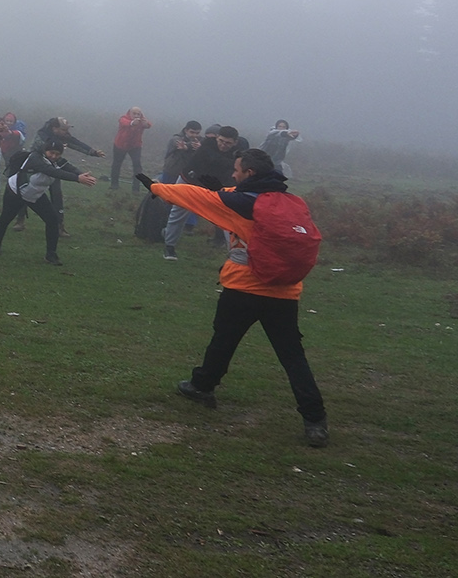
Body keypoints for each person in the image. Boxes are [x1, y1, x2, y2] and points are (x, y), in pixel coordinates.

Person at [140, 149, 329, 446]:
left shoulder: (239, 203)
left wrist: (156, 187)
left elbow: (195, 197)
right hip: (285, 291)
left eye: (237, 170)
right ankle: (315, 421)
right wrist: (223, 190)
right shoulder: (293, 201)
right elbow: (242, 198)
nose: (233, 173)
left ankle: (202, 386)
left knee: (223, 341)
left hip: (243, 287)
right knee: (292, 356)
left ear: (249, 173)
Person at [0, 140, 97, 265]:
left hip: (35, 194)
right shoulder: (35, 158)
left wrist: (81, 174)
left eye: (57, 154)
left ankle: (51, 255)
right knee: (6, 217)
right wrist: (77, 178)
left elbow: (68, 167)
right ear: (45, 150)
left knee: (52, 220)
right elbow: (52, 171)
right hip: (16, 191)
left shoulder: (57, 160)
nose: (54, 156)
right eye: (51, 153)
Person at [164, 125, 248, 260]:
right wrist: (231, 163)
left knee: (227, 218)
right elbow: (215, 160)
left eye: (228, 143)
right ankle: (169, 246)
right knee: (179, 211)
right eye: (221, 141)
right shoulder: (208, 144)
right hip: (191, 178)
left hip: (218, 184)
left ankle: (234, 256)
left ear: (235, 142)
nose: (223, 145)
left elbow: (236, 171)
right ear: (217, 137)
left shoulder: (240, 150)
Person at [112, 108, 153, 190]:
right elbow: (124, 122)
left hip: (135, 146)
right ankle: (114, 185)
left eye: (138, 114)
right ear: (129, 113)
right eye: (134, 114)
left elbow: (148, 125)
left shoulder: (141, 121)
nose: (136, 116)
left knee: (137, 165)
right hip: (120, 145)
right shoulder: (123, 118)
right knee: (117, 165)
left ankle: (136, 188)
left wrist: (146, 124)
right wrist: (132, 123)